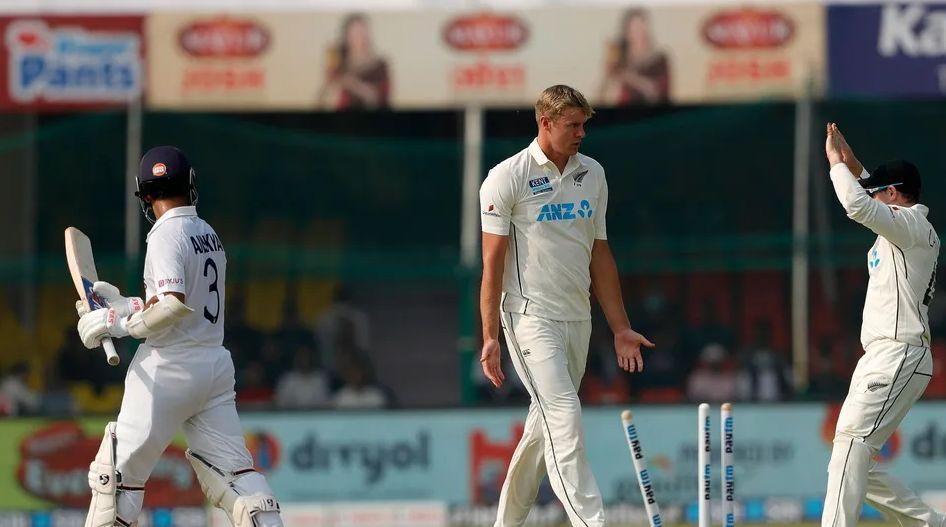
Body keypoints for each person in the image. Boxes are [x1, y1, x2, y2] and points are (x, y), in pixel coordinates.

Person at [75, 146, 283, 527]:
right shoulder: (207, 234)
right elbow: (178, 301)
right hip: (213, 368)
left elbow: (172, 306)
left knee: (115, 483)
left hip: (168, 367)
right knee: (237, 480)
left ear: (146, 196)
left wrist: (117, 326)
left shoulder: (164, 234)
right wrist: (127, 306)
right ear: (190, 186)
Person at [478, 84, 654, 527]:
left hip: (579, 318)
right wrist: (489, 337)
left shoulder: (592, 173)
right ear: (546, 122)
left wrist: (619, 327)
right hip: (528, 318)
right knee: (564, 414)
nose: (581, 134)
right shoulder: (507, 177)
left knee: (544, 432)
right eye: (573, 126)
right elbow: (491, 264)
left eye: (584, 126)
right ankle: (591, 522)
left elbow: (600, 254)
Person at [822, 123, 942, 527]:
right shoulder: (904, 227)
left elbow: (857, 205)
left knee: (852, 446)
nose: (870, 194)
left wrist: (836, 166)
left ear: (894, 194)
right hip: (885, 353)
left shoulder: (909, 226)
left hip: (898, 350)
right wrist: (850, 159)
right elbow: (867, 187)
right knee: (855, 458)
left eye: (878, 190)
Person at [317, 13, 390, 110]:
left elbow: (377, 99)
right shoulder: (338, 63)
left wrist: (352, 84)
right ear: (346, 36)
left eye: (362, 32)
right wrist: (330, 81)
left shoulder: (380, 65)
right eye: (354, 33)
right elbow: (323, 100)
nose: (359, 37)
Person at [598, 8, 670, 106]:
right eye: (634, 29)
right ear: (626, 32)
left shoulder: (659, 59)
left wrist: (627, 76)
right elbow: (601, 97)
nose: (638, 33)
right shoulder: (619, 58)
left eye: (641, 28)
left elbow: (655, 92)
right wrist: (608, 72)